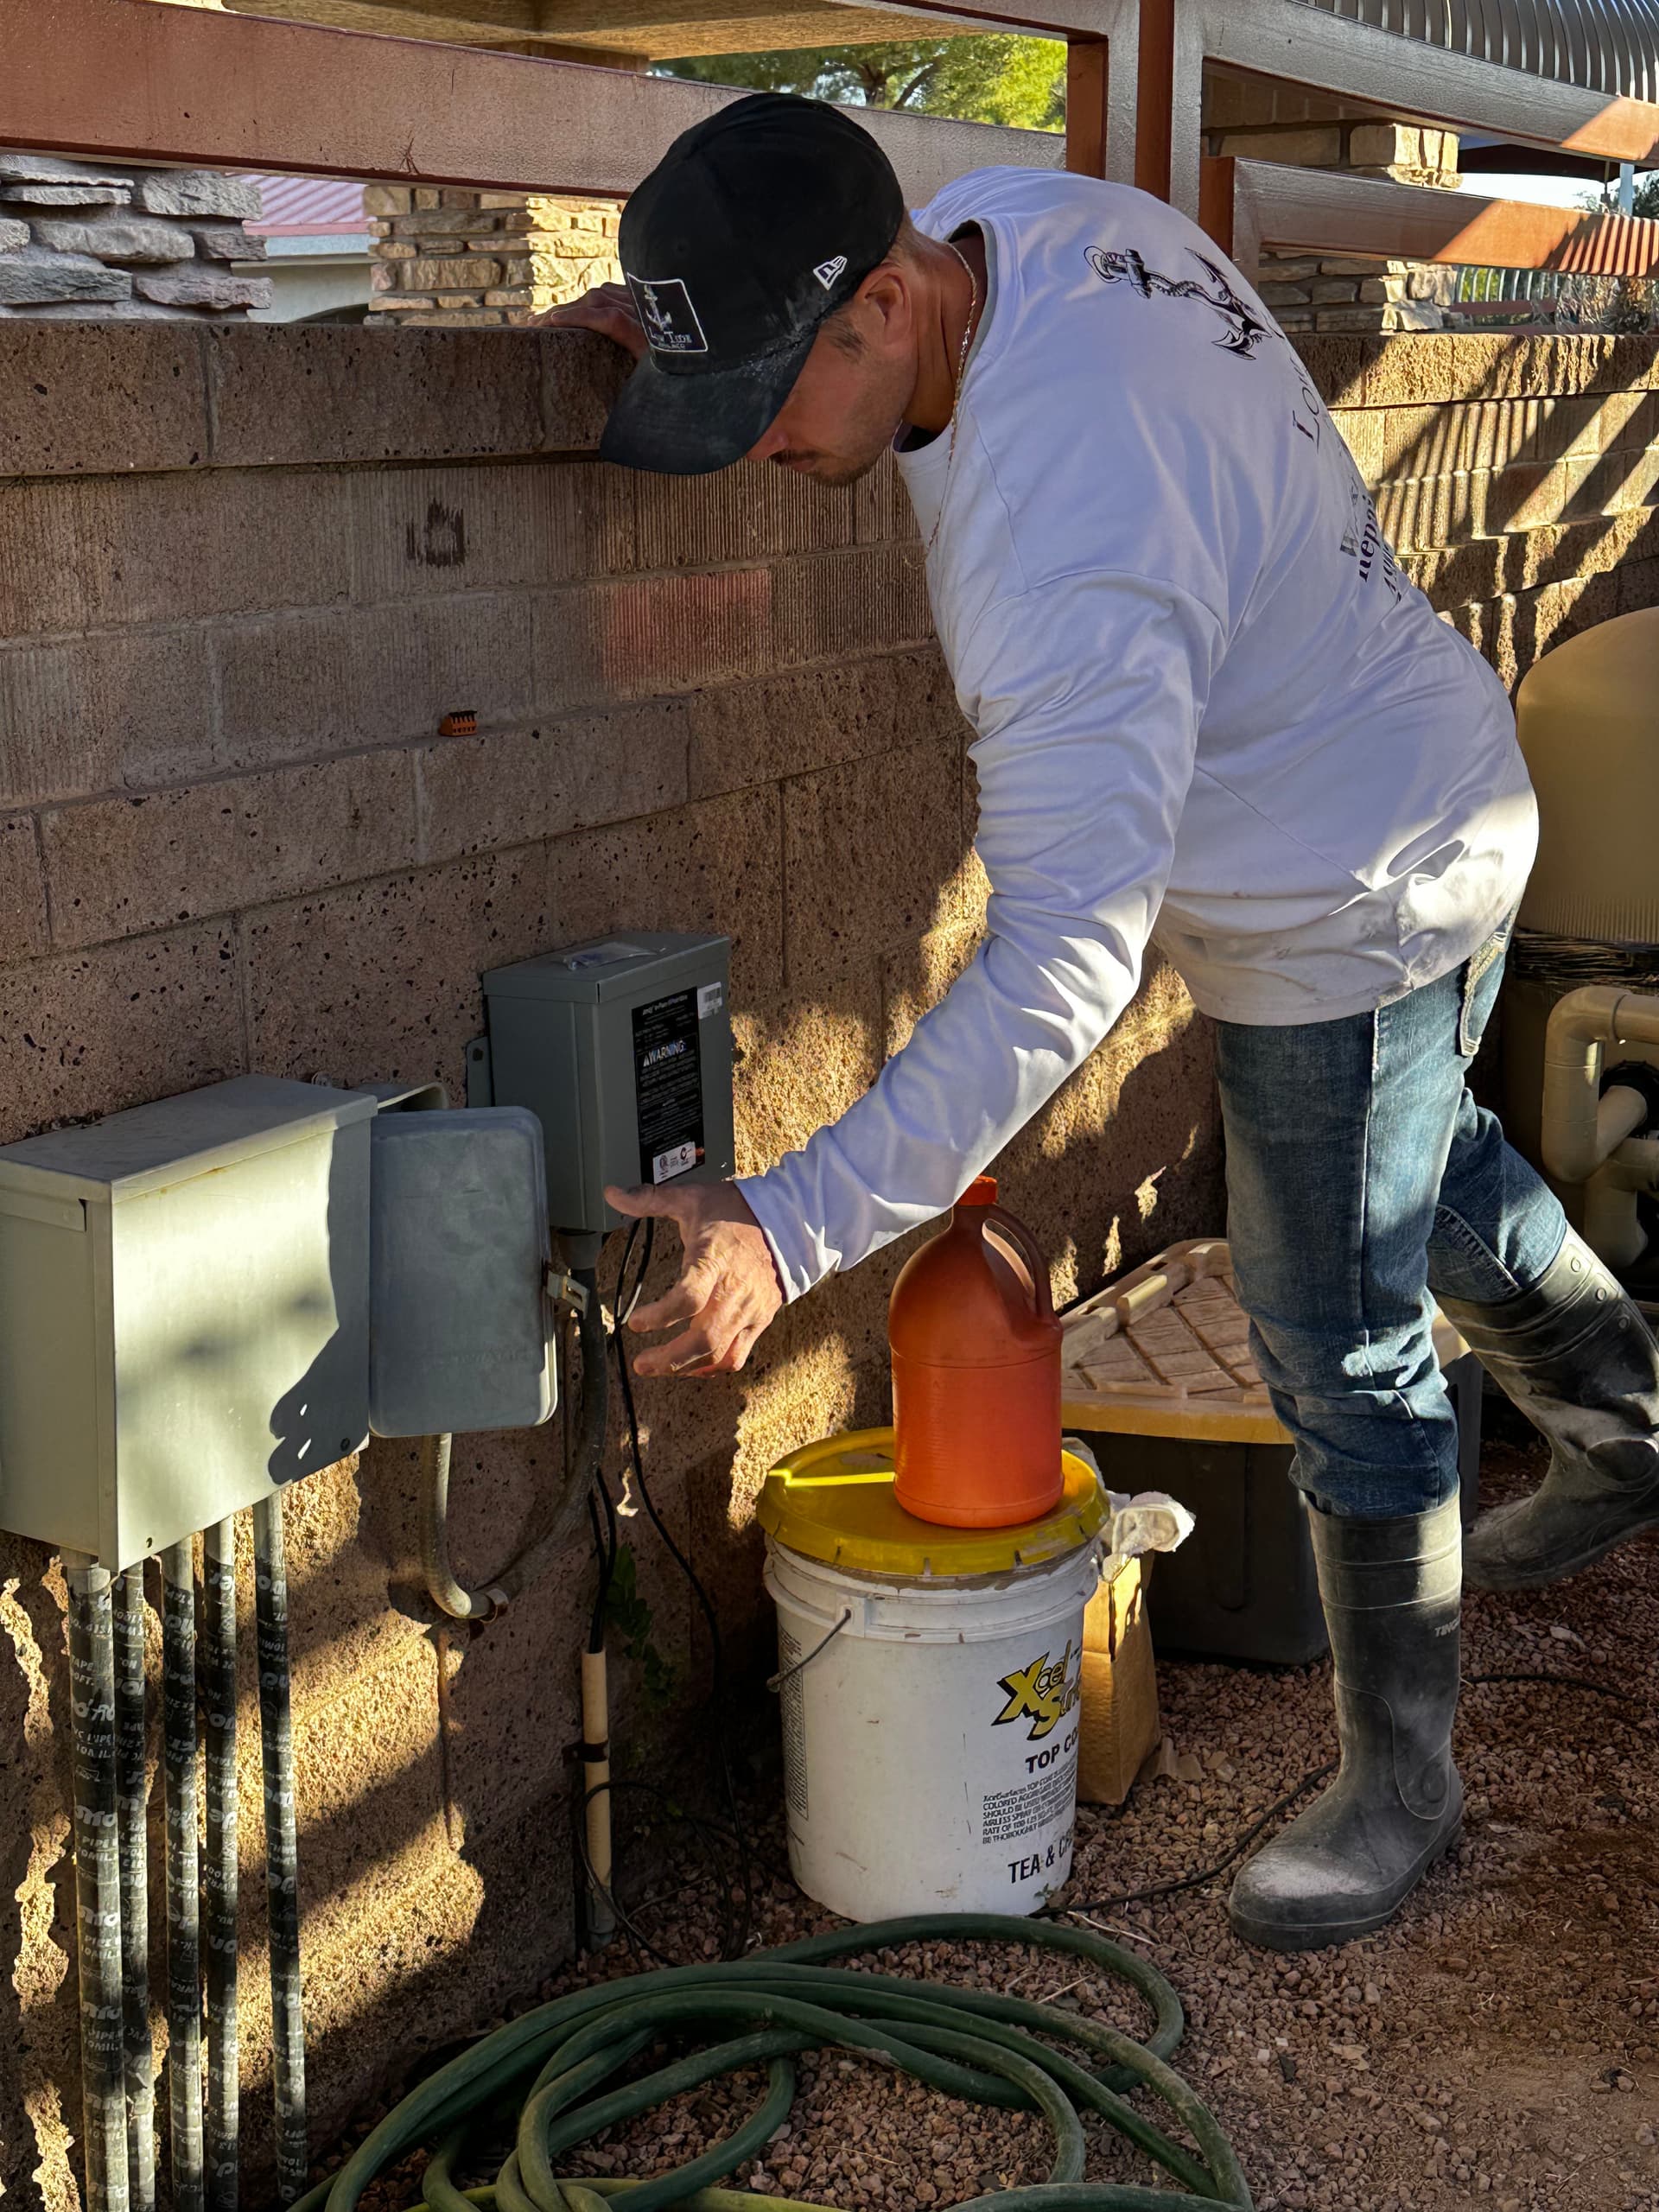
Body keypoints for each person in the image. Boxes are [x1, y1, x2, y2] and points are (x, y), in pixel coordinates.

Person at [545, 92, 1659, 1952]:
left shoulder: (1065, 542)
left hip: (1347, 888)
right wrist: (683, 332)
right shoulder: (1001, 220)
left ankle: (1403, 1785)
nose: (755, 449)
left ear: (886, 309)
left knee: (1337, 1326)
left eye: (765, 402)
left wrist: (793, 1214)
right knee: (1426, 1158)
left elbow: (1066, 958)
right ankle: (1624, 1421)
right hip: (1431, 774)